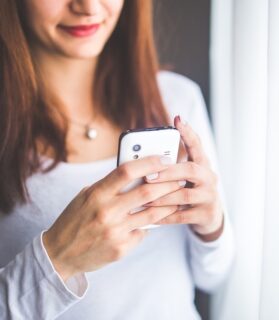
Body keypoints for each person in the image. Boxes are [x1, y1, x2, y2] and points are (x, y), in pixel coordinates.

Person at [0, 1, 234, 319]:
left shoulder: (178, 100)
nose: (88, 7)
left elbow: (214, 276)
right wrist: (58, 258)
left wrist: (211, 226)